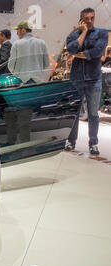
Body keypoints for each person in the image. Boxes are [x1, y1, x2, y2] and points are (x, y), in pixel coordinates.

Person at [65, 8, 108, 156]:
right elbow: (71, 49)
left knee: (93, 114)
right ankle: (71, 141)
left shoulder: (102, 33)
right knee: (74, 113)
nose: (90, 21)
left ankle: (93, 143)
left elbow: (96, 53)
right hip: (76, 79)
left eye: (92, 18)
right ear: (81, 20)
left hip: (94, 79)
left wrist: (78, 54)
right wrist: (83, 32)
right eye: (86, 19)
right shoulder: (73, 35)